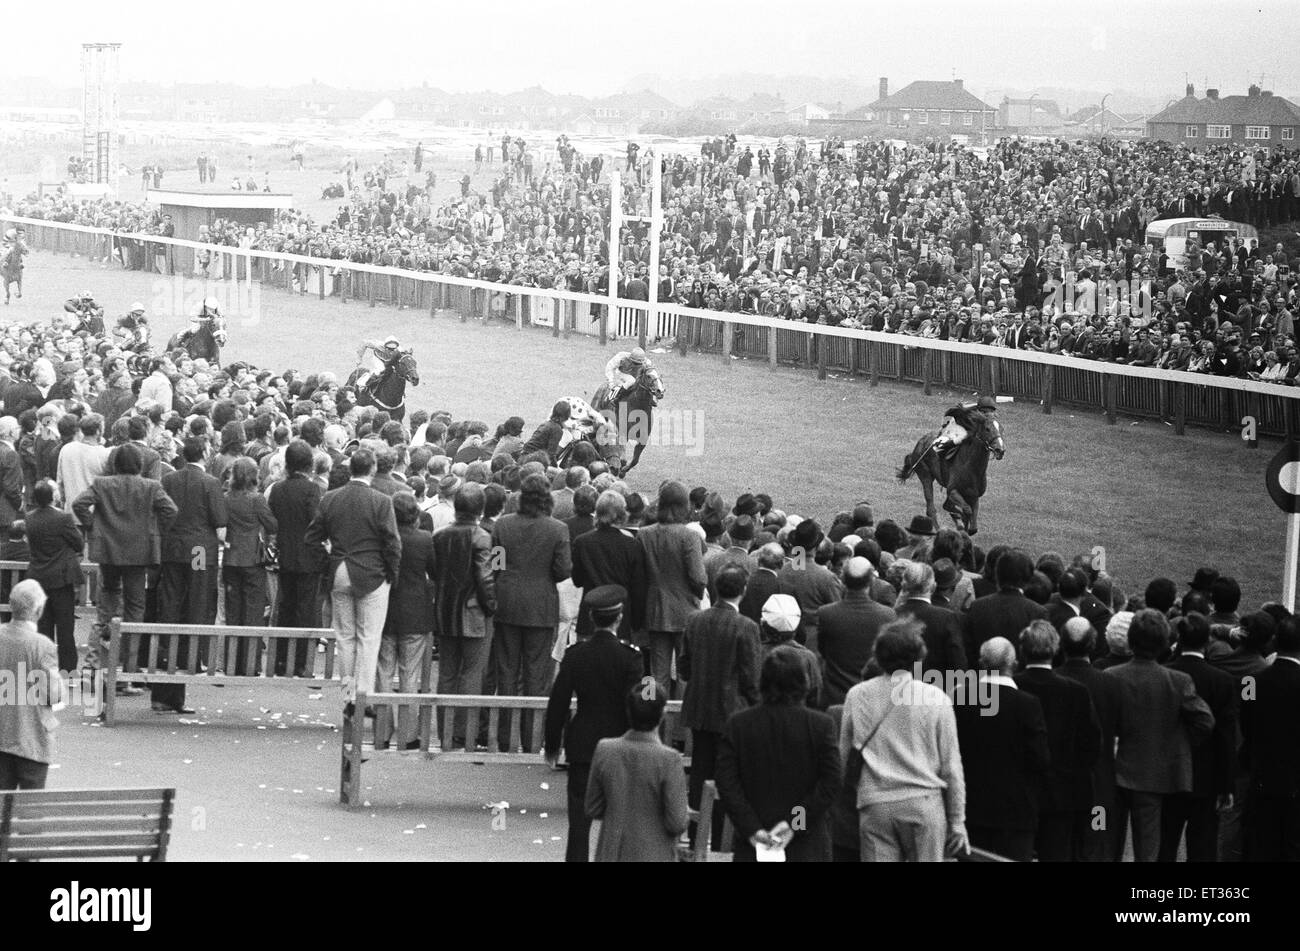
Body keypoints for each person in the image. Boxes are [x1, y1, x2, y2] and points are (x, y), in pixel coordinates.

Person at [839, 618, 968, 862]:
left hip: (875, 803)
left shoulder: (856, 696)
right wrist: (957, 820)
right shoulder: (936, 698)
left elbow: (843, 756)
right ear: (918, 657)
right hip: (923, 803)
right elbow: (952, 766)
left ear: (878, 655)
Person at [543, 585, 643, 862]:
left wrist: (552, 745)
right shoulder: (632, 656)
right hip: (620, 743)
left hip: (583, 742)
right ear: (619, 618)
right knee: (618, 821)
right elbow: (638, 701)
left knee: (579, 822)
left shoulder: (575, 654)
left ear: (591, 617)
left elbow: (558, 703)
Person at [1105, 609, 1215, 862]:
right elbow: (1205, 721)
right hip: (1153, 775)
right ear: (1164, 643)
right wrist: (1175, 743)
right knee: (1148, 850)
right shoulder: (1178, 681)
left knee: (1109, 844)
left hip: (1115, 770)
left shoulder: (1111, 676)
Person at [714, 646, 841, 862]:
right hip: (806, 846)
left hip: (753, 843)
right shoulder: (821, 726)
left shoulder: (738, 725)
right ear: (804, 682)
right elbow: (831, 782)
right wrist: (794, 822)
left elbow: (726, 783)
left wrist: (751, 828)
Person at [72, 444, 177, 700]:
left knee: (105, 609)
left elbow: (79, 504)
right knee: (134, 610)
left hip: (108, 551)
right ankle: (128, 670)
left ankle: (93, 666)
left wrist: (93, 527)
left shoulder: (102, 483)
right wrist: (155, 532)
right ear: (139, 464)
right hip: (138, 553)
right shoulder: (150, 486)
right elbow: (170, 510)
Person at [304, 447, 402, 716]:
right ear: (372, 469)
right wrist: (391, 573)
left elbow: (311, 538)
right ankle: (364, 697)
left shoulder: (330, 498)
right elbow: (393, 542)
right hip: (371, 573)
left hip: (341, 571)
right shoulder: (381, 501)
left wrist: (329, 564)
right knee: (368, 639)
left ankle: (349, 697)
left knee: (345, 639)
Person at [679, 563, 761, 843]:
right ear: (744, 591)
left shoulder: (694, 620)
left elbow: (684, 667)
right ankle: (717, 837)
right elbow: (751, 677)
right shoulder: (746, 627)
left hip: (700, 707)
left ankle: (695, 834)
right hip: (731, 711)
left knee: (700, 773)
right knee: (726, 776)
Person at [491, 472, 571, 750]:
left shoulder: (503, 525)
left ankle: (505, 740)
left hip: (509, 603)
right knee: (537, 676)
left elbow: (497, 565)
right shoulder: (557, 529)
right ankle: (531, 740)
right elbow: (562, 572)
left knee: (507, 672)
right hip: (539, 606)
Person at [951, 637, 1049, 862]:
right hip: (1015, 811)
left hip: (972, 807)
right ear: (1014, 665)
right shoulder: (1027, 704)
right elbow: (1040, 759)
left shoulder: (961, 697)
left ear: (981, 664)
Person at [1015, 619, 1100, 862]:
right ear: (1055, 649)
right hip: (1064, 793)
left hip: (1022, 792)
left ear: (1023, 650)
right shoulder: (1077, 691)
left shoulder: (1012, 688)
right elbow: (1091, 743)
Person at [155, 437, 227, 714]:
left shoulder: (170, 480)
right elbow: (220, 521)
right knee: (196, 602)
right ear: (205, 453)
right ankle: (189, 661)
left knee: (171, 604)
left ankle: (167, 677)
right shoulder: (210, 483)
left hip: (174, 547)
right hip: (198, 549)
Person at [1161, 612, 1238, 863]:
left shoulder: (1164, 673)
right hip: (1207, 778)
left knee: (1165, 845)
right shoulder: (1223, 681)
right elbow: (1226, 737)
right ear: (1207, 642)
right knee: (1202, 849)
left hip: (1169, 774)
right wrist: (1226, 785)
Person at [585, 681, 690, 863]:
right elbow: (677, 822)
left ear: (628, 711)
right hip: (654, 853)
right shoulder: (669, 759)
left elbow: (593, 807)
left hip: (611, 852)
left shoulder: (605, 749)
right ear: (662, 714)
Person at [432, 482, 496, 750]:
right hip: (473, 613)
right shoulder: (482, 537)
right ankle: (465, 733)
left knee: (447, 673)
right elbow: (486, 577)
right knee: (472, 673)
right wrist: (491, 605)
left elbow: (436, 573)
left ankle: (446, 733)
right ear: (480, 510)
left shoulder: (439, 536)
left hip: (446, 611)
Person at [1057, 616, 1124, 862]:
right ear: (1094, 644)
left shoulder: (1052, 681)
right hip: (1099, 784)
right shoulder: (1111, 684)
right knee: (1096, 847)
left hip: (1060, 785)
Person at [375, 493, 435, 751]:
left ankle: (381, 732)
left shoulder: (382, 538)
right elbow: (434, 571)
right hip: (415, 610)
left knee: (383, 672)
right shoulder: (425, 539)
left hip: (385, 608)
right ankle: (408, 735)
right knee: (410, 673)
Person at [1238, 615, 1300, 860]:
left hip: (1260, 775)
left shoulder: (1250, 681)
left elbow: (1246, 723)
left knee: (1259, 845)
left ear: (1275, 641)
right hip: (1294, 781)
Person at [637, 480, 706, 691]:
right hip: (685, 610)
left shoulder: (644, 534)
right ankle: (681, 724)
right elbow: (699, 578)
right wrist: (697, 593)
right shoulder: (690, 536)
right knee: (686, 672)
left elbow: (640, 576)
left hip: (656, 608)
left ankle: (654, 721)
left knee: (658, 674)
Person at [267, 441, 325, 675]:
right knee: (306, 610)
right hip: (308, 556)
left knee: (286, 607)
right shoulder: (312, 490)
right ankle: (301, 663)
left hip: (286, 554)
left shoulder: (278, 489)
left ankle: (282, 660)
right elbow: (316, 520)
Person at [0, 581, 63, 789]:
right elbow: (53, 695)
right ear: (38, 610)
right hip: (31, 737)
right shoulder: (42, 645)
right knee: (29, 812)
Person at [23, 479, 85, 673]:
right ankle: (68, 669)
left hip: (38, 575)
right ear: (53, 496)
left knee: (44, 626)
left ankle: (43, 668)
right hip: (61, 577)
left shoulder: (29, 518)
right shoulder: (63, 518)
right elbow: (78, 543)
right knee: (65, 627)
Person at [222, 457, 277, 669]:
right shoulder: (257, 499)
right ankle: (250, 664)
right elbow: (272, 525)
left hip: (230, 558)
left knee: (232, 612)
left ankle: (231, 662)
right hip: (253, 558)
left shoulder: (226, 498)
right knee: (253, 612)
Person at [816, 556, 894, 707]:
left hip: (835, 697)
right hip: (873, 699)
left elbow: (823, 650)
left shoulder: (826, 614)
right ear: (871, 580)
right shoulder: (887, 615)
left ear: (843, 579)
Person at [570, 489, 645, 642]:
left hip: (589, 616)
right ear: (622, 514)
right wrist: (637, 622)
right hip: (619, 619)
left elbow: (577, 580)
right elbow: (638, 588)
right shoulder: (632, 545)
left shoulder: (582, 542)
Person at [931, 394, 998, 458]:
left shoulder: (985, 417)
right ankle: (942, 445)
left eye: (991, 412)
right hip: (955, 423)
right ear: (979, 410)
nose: (988, 414)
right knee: (963, 437)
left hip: (966, 426)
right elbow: (949, 413)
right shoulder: (966, 411)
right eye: (985, 412)